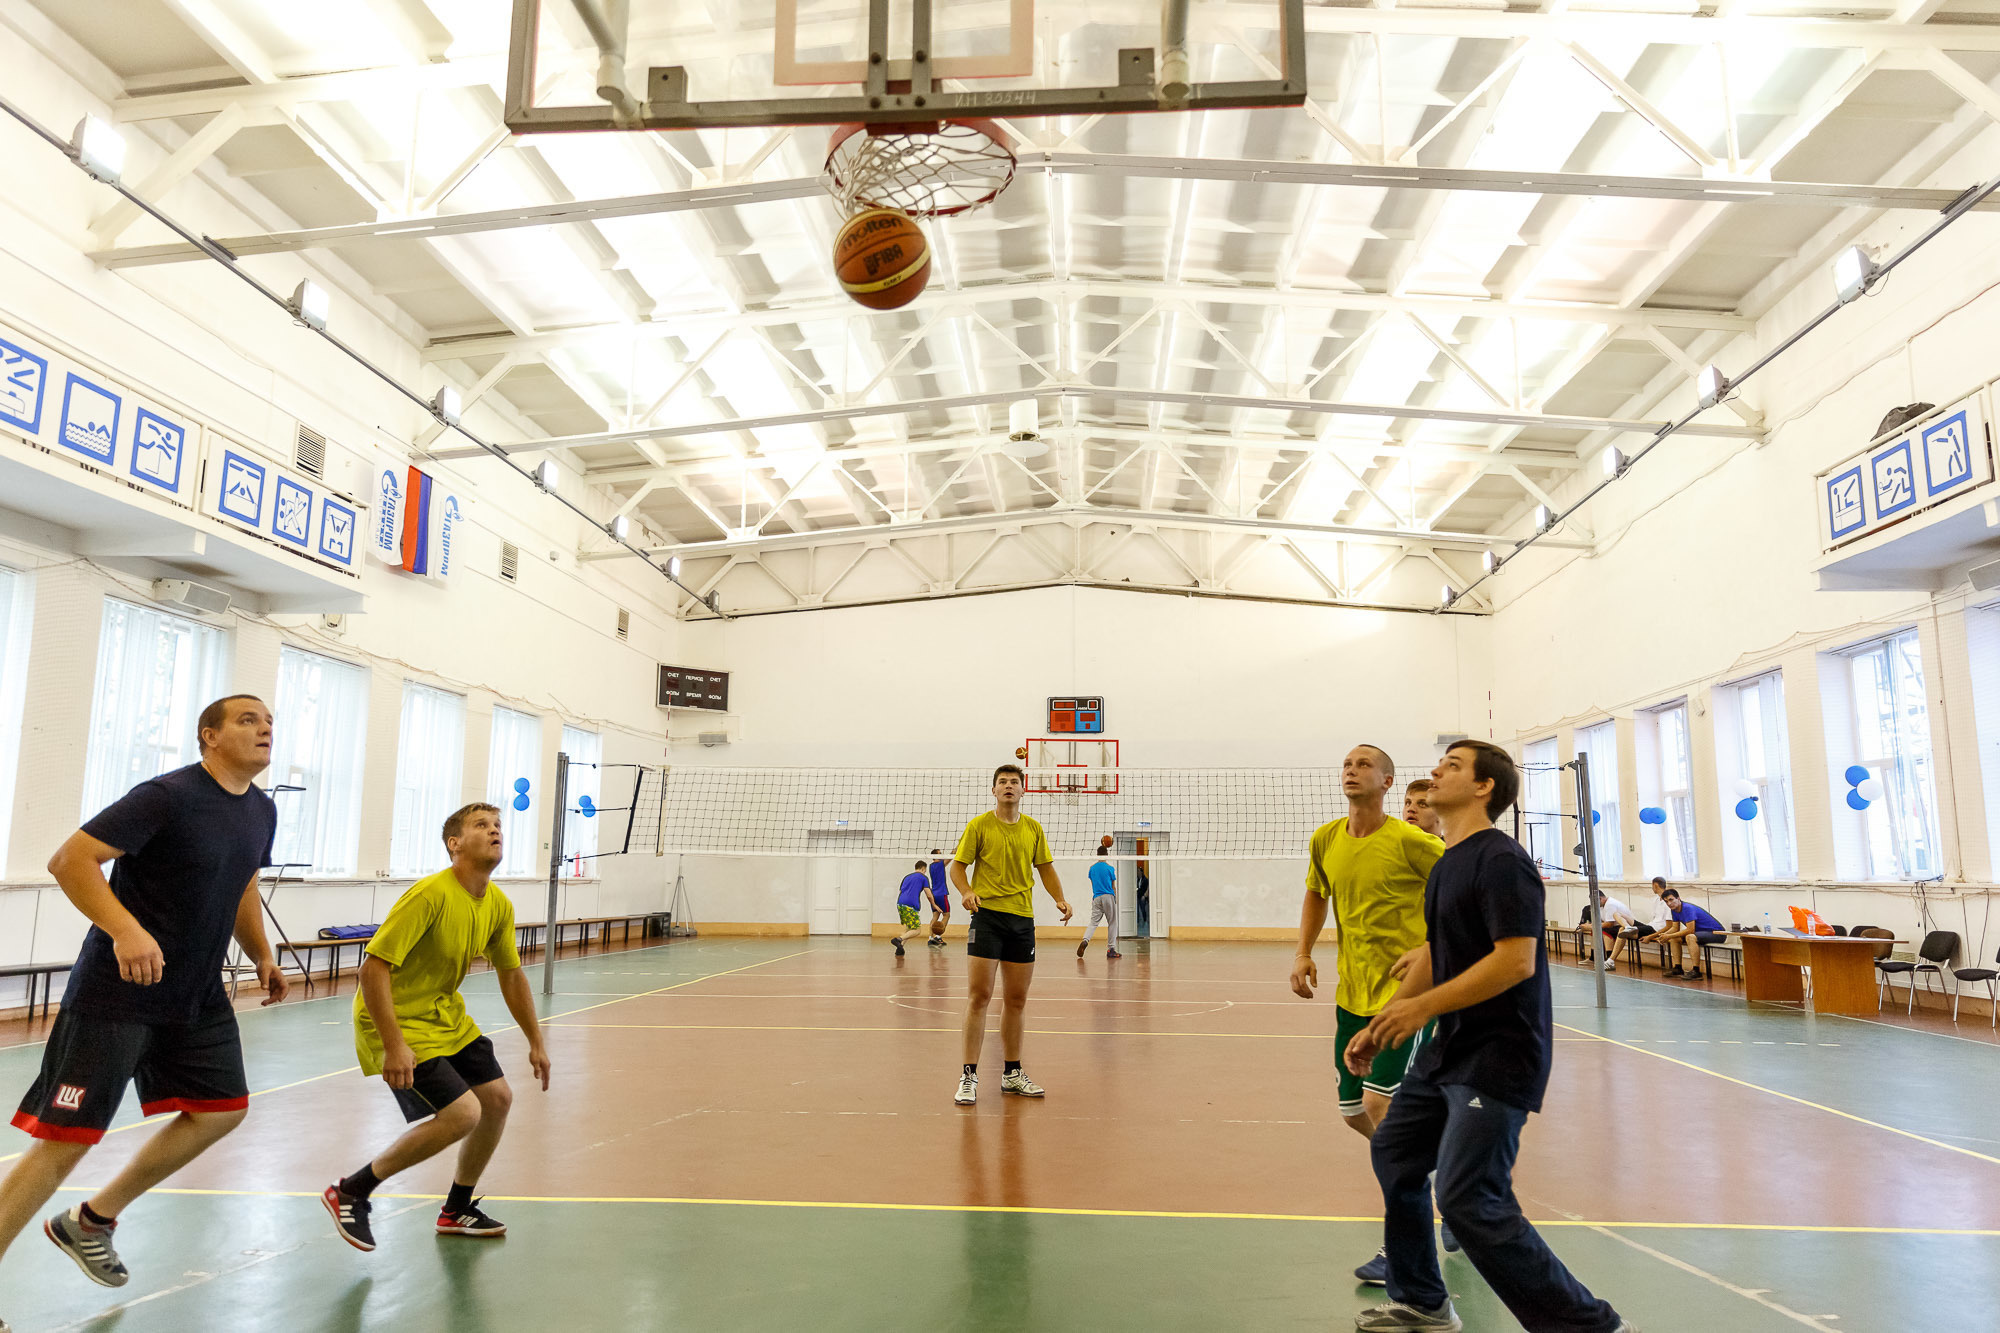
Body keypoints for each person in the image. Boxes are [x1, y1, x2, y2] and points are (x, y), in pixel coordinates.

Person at [0, 695, 286, 1304]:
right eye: (248, 720)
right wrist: (125, 930)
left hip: (196, 996)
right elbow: (71, 860)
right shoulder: (166, 796)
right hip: (118, 995)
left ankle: (91, 1221)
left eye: (269, 722)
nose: (265, 728)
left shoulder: (262, 809)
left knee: (222, 1109)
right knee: (64, 1142)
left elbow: (243, 883)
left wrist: (261, 952)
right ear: (209, 736)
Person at [1347, 741, 1634, 1333]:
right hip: (1448, 1050)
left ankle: (1593, 1328)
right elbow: (1436, 952)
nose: (1435, 771)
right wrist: (1386, 1022)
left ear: (1484, 787)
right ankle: (1422, 1300)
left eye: (1452, 766)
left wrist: (1420, 1009)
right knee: (1395, 1152)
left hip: (1500, 1053)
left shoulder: (1502, 861)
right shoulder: (1447, 862)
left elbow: (1515, 961)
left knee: (1469, 1197)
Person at [322, 803, 551, 1253]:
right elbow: (372, 970)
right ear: (455, 844)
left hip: (443, 1016)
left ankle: (456, 1208)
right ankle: (351, 1191)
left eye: (498, 825)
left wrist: (536, 1041)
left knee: (497, 1099)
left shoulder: (498, 904)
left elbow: (511, 975)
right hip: (395, 1018)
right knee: (463, 1113)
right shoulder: (430, 895)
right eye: (482, 825)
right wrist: (394, 1046)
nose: (495, 831)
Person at [1291, 744, 1446, 1286]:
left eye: (1363, 765)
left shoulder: (1414, 842)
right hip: (1351, 995)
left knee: (1383, 1108)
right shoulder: (1326, 839)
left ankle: (1402, 1242)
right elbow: (1316, 894)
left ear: (1387, 781)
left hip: (1405, 997)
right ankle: (1444, 1173)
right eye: (1347, 764)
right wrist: (1303, 952)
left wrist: (1430, 949)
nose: (1351, 770)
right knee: (1354, 1112)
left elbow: (1462, 893)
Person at [950, 764, 1073, 1106]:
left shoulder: (1033, 828)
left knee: (1016, 1000)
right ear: (994, 790)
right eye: (1002, 782)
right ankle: (969, 1075)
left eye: (1014, 782)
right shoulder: (979, 826)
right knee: (979, 996)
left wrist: (1060, 898)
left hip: (1022, 921)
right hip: (987, 918)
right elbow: (957, 867)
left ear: (1023, 790)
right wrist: (966, 891)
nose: (1008, 786)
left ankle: (1012, 1073)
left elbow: (1045, 868)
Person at [1653, 889, 1728, 981]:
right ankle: (1678, 968)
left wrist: (1668, 936)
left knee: (1690, 937)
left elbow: (1690, 930)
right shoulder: (1674, 910)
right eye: (1666, 901)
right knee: (1674, 939)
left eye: (1671, 900)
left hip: (1717, 933)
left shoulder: (1687, 908)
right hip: (1700, 933)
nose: (1669, 903)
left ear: (1678, 898)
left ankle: (1696, 971)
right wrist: (1663, 935)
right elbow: (1675, 928)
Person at [1572, 887, 1637, 971]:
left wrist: (1590, 926)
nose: (1594, 905)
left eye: (1595, 902)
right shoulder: (1603, 906)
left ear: (1600, 898)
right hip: (1616, 926)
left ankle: (1609, 960)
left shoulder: (1610, 904)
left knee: (1604, 931)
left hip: (1625, 926)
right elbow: (1603, 921)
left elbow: (1609, 924)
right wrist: (1590, 926)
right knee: (1595, 930)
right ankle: (1593, 958)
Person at [1078, 847, 1121, 959]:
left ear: (1097, 855)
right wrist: (1114, 899)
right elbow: (1113, 886)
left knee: (1093, 923)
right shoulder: (1110, 868)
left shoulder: (1092, 868)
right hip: (1108, 896)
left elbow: (1093, 884)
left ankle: (1085, 940)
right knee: (1112, 923)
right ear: (1106, 854)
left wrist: (1096, 896)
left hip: (1096, 897)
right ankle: (1111, 949)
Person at [893, 860, 932, 956]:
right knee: (917, 930)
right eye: (925, 870)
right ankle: (898, 939)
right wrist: (934, 905)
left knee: (909, 928)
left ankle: (900, 948)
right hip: (910, 906)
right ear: (923, 868)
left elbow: (900, 891)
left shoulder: (906, 877)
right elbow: (929, 894)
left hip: (900, 904)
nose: (925, 872)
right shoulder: (923, 878)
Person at [926, 849, 951, 948]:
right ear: (936, 856)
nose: (942, 855)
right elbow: (951, 856)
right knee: (946, 915)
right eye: (940, 853)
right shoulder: (940, 864)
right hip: (941, 894)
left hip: (934, 894)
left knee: (935, 916)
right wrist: (959, 846)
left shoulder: (931, 866)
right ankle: (938, 936)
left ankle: (930, 938)